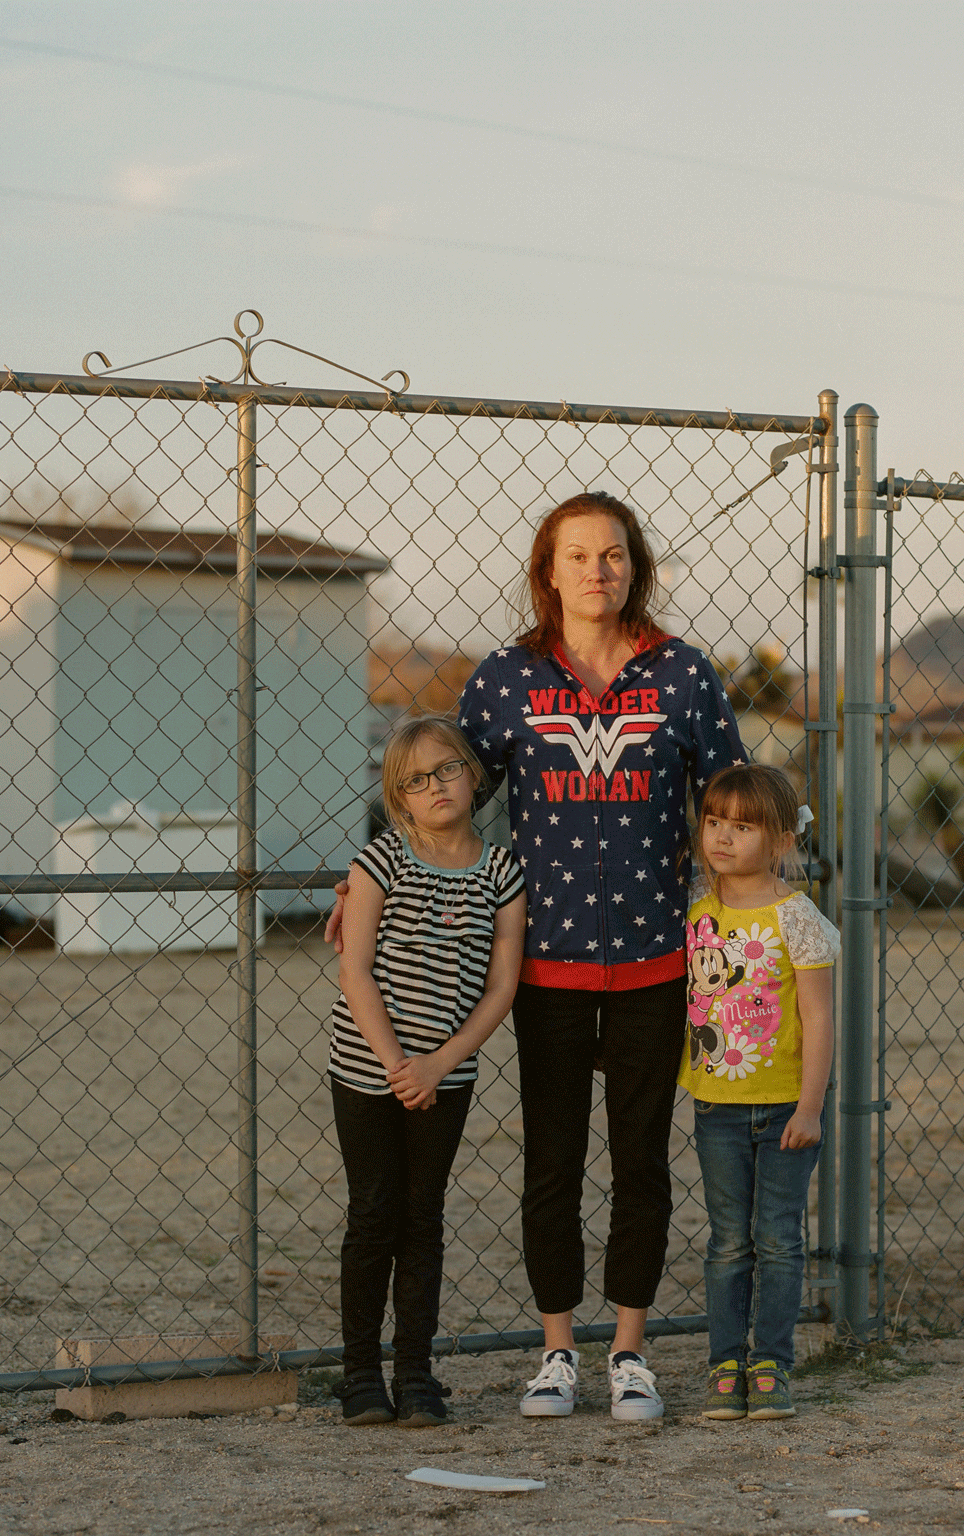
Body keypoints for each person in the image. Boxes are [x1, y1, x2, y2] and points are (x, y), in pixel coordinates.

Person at [458, 490, 747, 1421]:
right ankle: (555, 1351)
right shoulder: (506, 679)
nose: (597, 570)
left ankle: (628, 1350)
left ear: (635, 567)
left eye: (613, 555)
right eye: (577, 555)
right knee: (551, 1158)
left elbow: (732, 796)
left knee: (641, 1163)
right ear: (549, 570)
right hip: (544, 963)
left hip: (657, 959)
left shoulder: (683, 675)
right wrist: (372, 881)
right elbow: (442, 794)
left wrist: (769, 890)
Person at [327, 714, 527, 1427]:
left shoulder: (502, 872)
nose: (436, 786)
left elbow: (502, 986)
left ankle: (414, 1373)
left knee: (423, 1216)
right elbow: (355, 971)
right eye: (416, 780)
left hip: (447, 1076)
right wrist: (395, 1066)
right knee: (373, 1212)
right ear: (397, 798)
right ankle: (358, 1375)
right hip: (365, 1069)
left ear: (474, 775)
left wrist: (440, 1062)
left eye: (447, 769)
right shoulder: (380, 862)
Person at [680, 764, 837, 1422]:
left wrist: (809, 1107)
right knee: (726, 1242)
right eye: (714, 822)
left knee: (777, 1238)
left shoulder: (795, 917)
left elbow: (821, 1017)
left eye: (741, 827)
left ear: (778, 840)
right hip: (716, 1109)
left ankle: (771, 1361)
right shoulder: (697, 913)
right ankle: (725, 1363)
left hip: (783, 1111)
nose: (722, 837)